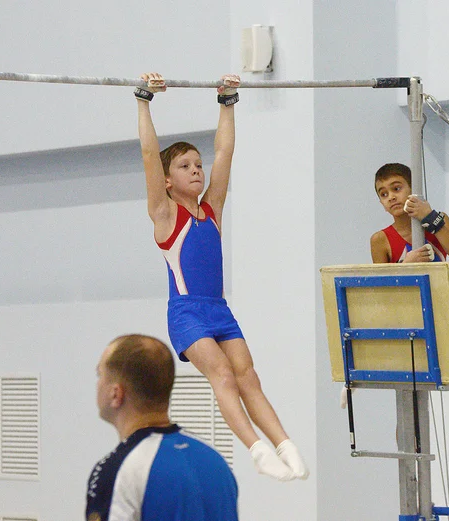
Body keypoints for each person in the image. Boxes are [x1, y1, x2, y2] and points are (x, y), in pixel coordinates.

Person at [133, 72, 308, 482]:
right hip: (187, 314)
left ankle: (286, 444)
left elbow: (225, 152)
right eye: (184, 166)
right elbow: (146, 154)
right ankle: (258, 449)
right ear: (166, 180)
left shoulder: (212, 209)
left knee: (249, 376)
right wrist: (144, 102)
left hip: (219, 310)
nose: (196, 170)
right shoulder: (164, 214)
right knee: (224, 375)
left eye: (197, 164)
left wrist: (226, 101)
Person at [86, 334, 238, 521]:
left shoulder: (117, 472)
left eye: (99, 374)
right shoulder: (215, 461)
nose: (97, 383)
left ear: (116, 394)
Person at [370, 163, 449, 264]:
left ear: (414, 190)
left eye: (396, 189)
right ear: (381, 203)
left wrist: (431, 218)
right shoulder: (380, 240)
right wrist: (405, 267)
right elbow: (381, 279)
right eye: (384, 194)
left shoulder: (441, 219)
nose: (391, 197)